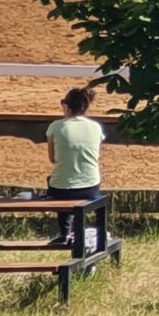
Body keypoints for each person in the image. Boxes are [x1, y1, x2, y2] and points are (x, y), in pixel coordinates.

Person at [46, 86, 102, 245]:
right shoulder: (96, 127)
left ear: (67, 106)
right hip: (90, 186)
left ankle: (65, 233)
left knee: (58, 180)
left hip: (62, 189)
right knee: (79, 183)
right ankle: (79, 232)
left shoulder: (56, 126)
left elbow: (53, 159)